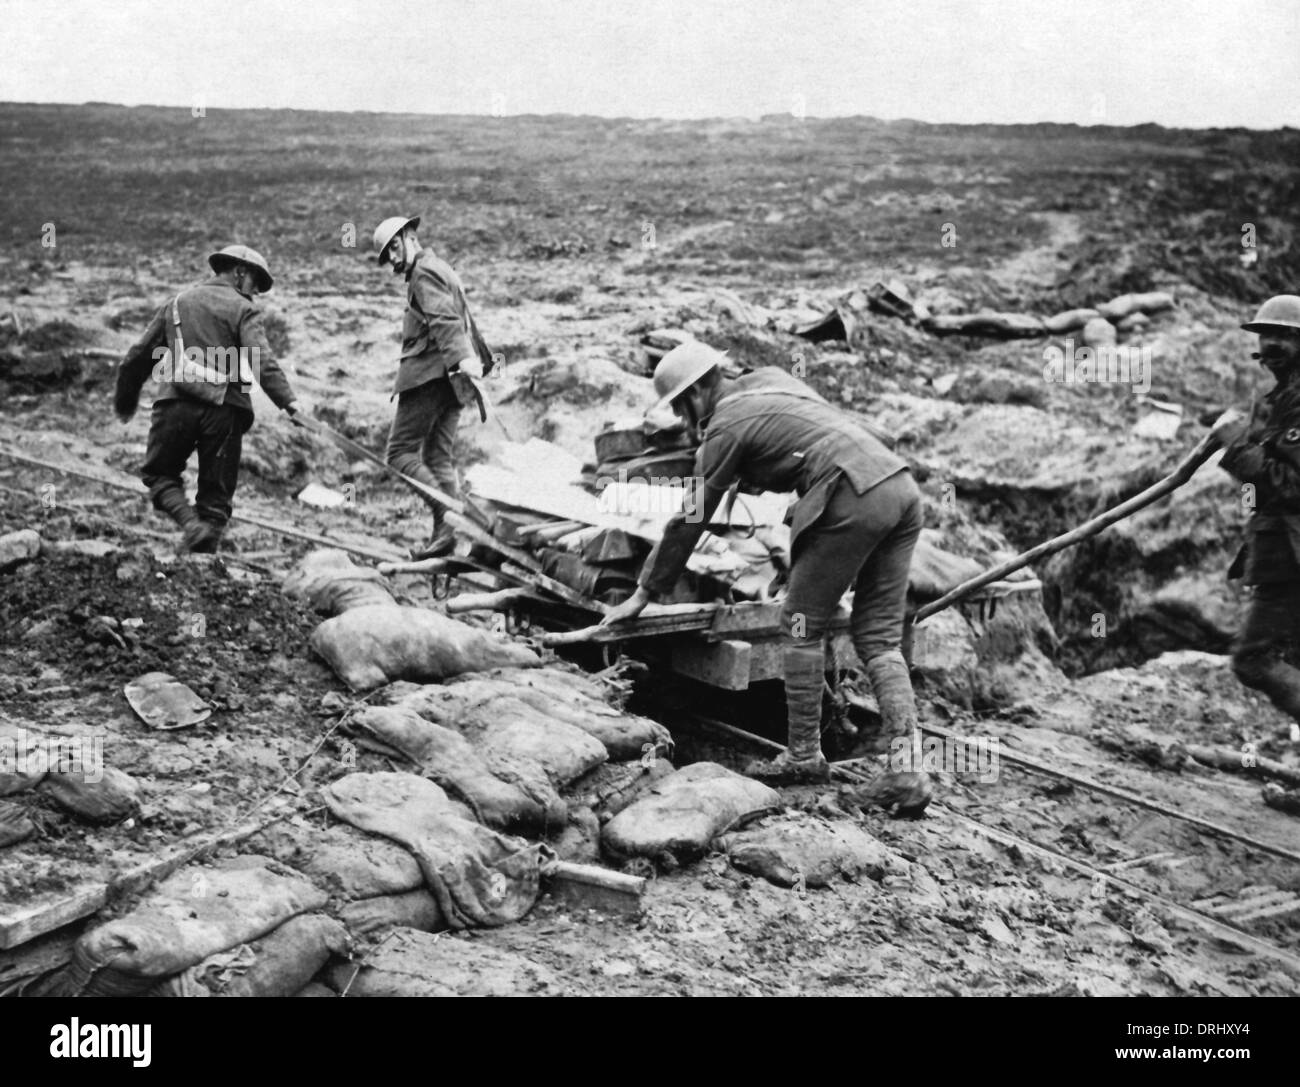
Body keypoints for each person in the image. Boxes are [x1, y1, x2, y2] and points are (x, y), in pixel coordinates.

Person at [601, 341, 932, 807]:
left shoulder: (726, 425)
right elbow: (820, 440)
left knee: (798, 624)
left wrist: (645, 591)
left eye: (680, 407)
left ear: (695, 394)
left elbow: (692, 516)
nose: (682, 419)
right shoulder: (776, 381)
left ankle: (802, 757)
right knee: (878, 637)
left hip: (851, 494)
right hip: (899, 488)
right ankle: (908, 773)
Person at [114, 244, 301, 553]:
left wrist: (125, 401)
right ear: (240, 272)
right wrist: (289, 403)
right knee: (215, 501)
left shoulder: (177, 303)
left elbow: (136, 357)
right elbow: (261, 360)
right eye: (255, 284)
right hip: (225, 411)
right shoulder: (245, 309)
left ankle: (190, 527)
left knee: (160, 476)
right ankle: (202, 552)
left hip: (175, 405)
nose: (255, 294)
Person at [372, 215, 496, 558]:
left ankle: (446, 518)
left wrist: (463, 359)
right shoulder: (441, 267)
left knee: (399, 454)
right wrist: (467, 362)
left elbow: (445, 318)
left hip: (430, 375)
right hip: (453, 381)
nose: (394, 260)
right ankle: (451, 534)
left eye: (395, 248)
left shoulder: (424, 273)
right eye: (387, 257)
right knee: (438, 456)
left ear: (410, 236)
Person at [1213, 294, 1300, 723]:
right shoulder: (1280, 398)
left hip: (1292, 556)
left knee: (1254, 659)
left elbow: (1294, 487)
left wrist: (1238, 446)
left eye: (1284, 336)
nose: (1271, 345)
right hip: (1281, 553)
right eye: (1266, 334)